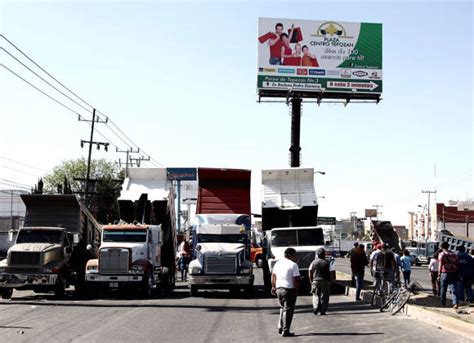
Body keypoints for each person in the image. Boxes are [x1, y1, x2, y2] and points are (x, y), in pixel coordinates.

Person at [271, 248, 300, 337]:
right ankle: (285, 330)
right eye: (295, 255)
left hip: (279, 289)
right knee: (288, 310)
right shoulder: (293, 265)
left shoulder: (278, 263)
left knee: (282, 308)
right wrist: (296, 289)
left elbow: (273, 276)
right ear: (290, 255)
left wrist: (273, 287)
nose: (296, 257)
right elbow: (296, 279)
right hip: (289, 289)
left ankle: (280, 327)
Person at [309, 248, 334, 315]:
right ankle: (323, 310)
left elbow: (310, 271)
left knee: (315, 294)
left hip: (315, 281)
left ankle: (315, 307)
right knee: (325, 296)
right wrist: (331, 281)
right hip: (325, 281)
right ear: (324, 255)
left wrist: (311, 280)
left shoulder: (313, 262)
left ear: (317, 255)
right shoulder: (327, 262)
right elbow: (331, 273)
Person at [438, 241, 459, 308]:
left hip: (445, 273)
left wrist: (438, 274)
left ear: (442, 247)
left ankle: (443, 303)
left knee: (443, 289)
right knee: (453, 289)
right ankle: (455, 303)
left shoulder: (442, 254)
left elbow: (440, 265)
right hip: (453, 273)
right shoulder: (453, 254)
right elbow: (457, 263)